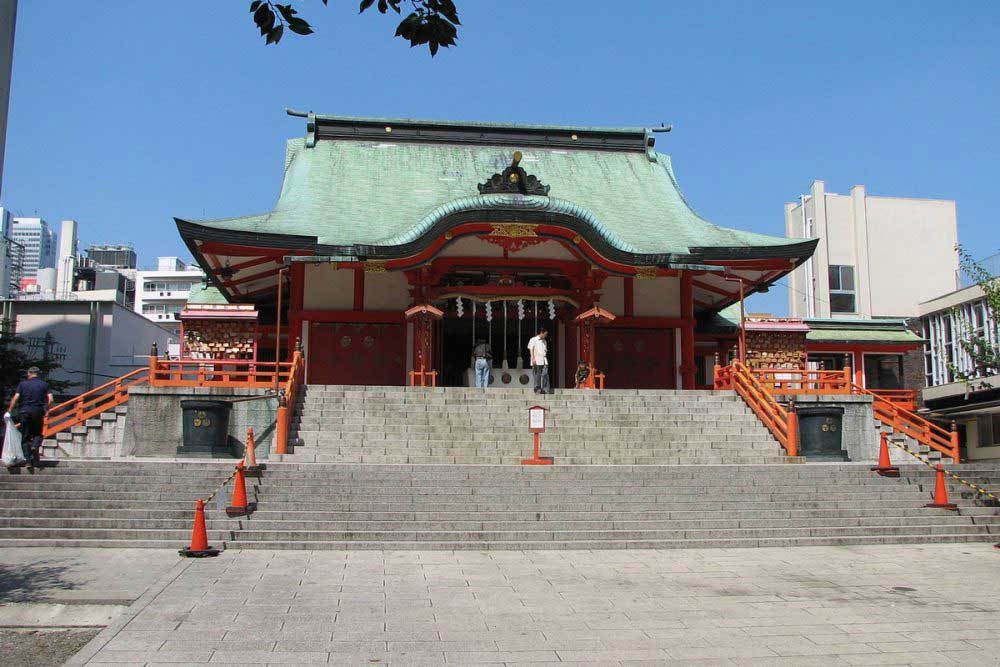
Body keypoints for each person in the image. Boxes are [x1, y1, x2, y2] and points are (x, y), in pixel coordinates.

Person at [7, 366, 54, 470]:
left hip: (24, 411)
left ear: (29, 373)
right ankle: (35, 446)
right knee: (38, 433)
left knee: (25, 437)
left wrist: (9, 411)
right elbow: (50, 399)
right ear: (38, 374)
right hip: (38, 412)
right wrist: (46, 409)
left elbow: (15, 398)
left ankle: (28, 461)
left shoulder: (23, 384)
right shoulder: (45, 385)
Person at [527, 328, 550, 394]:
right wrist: (532, 358)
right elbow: (531, 349)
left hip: (544, 360)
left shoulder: (545, 341)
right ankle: (537, 388)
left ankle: (545, 388)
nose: (546, 336)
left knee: (545, 374)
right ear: (541, 333)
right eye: (545, 334)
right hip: (536, 359)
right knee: (537, 375)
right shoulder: (533, 339)